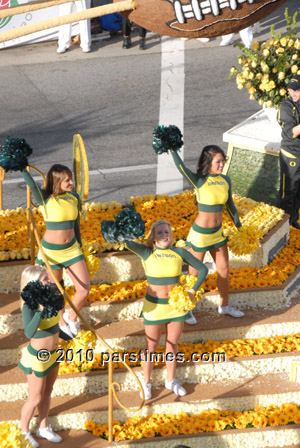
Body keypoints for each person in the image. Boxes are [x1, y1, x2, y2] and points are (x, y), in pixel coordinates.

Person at [123, 220, 208, 400]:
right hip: (154, 308)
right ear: (153, 236)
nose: (164, 235)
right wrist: (124, 229)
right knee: (151, 346)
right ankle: (146, 382)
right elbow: (127, 243)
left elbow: (202, 269)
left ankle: (170, 380)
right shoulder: (147, 253)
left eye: (167, 232)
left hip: (176, 308)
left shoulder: (178, 252)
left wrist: (193, 290)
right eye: (160, 232)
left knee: (172, 344)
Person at [170, 145, 245, 324]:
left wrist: (240, 227)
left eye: (223, 160)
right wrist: (172, 150)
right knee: (193, 274)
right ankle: (187, 308)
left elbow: (230, 206)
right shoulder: (199, 180)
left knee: (224, 270)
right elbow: (181, 167)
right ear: (208, 162)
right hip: (200, 236)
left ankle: (224, 306)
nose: (222, 164)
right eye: (218, 161)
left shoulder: (225, 180)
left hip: (218, 235)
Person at [22, 164, 90, 338]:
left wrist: (81, 248)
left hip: (72, 250)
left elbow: (76, 226)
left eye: (71, 179)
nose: (71, 183)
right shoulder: (45, 198)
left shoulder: (74, 197)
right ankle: (62, 323)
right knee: (56, 291)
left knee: (84, 289)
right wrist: (22, 166)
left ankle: (71, 318)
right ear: (57, 181)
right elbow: (32, 185)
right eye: (67, 180)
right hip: (50, 254)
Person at [19, 266, 63, 448]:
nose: (49, 280)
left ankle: (43, 427)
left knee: (47, 392)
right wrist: (40, 311)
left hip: (52, 355)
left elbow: (55, 326)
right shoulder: (29, 305)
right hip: (37, 358)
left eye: (48, 277)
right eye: (45, 278)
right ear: (33, 283)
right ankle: (24, 431)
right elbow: (29, 332)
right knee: (35, 398)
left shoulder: (51, 297)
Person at [278, 74, 300, 229]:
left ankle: (293, 221)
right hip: (291, 154)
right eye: (291, 90)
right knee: (289, 193)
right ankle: (282, 227)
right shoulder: (286, 107)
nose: (293, 93)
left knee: (298, 192)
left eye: (297, 90)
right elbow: (290, 132)